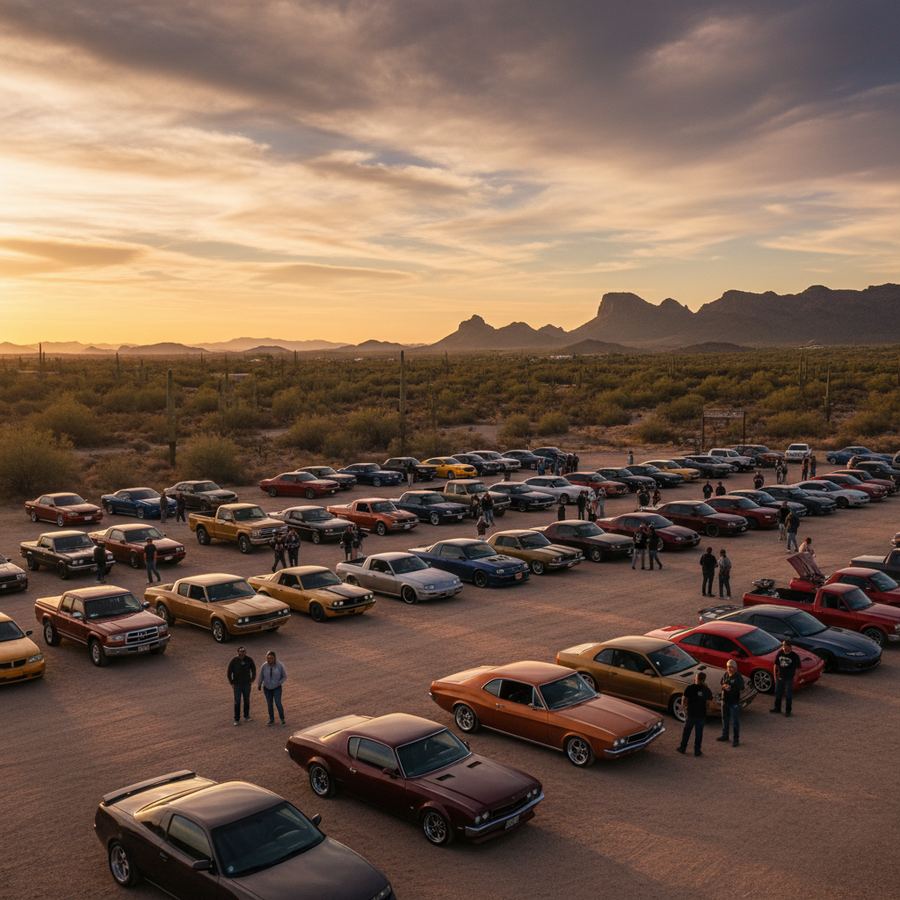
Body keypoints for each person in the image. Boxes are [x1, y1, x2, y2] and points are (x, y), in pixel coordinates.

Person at [676, 671, 713, 756]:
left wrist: (685, 709)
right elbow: (709, 703)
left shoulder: (690, 688)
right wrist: (706, 710)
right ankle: (697, 751)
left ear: (696, 679)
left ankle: (682, 748)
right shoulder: (707, 690)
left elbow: (684, 699)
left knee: (686, 732)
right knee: (699, 734)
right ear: (704, 679)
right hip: (701, 715)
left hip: (691, 714)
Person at [717, 659, 744, 746]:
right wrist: (724, 685)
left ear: (735, 668)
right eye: (728, 667)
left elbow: (742, 687)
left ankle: (736, 739)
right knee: (725, 719)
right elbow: (721, 682)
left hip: (734, 703)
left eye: (731, 667)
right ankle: (725, 735)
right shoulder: (726, 674)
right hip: (725, 701)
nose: (729, 669)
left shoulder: (738, 677)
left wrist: (731, 688)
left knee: (735, 721)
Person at [771, 639, 801, 716]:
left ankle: (788, 711)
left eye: (785, 646)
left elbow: (798, 668)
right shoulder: (780, 653)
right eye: (783, 645)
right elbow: (775, 665)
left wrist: (795, 678)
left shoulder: (795, 656)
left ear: (790, 647)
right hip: (780, 677)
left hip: (789, 678)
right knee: (778, 693)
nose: (783, 647)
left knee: (788, 695)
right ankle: (777, 708)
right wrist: (775, 676)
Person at [227, 646, 256, 726]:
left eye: (243, 651)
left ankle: (246, 716)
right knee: (237, 702)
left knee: (246, 700)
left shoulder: (249, 660)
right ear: (238, 652)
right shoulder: (234, 660)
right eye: (240, 651)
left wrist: (252, 679)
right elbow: (229, 672)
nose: (242, 652)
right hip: (237, 685)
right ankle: (236, 719)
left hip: (247, 684)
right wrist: (231, 682)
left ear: (245, 652)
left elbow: (253, 669)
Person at [257, 650, 287, 726]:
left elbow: (284, 676)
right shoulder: (264, 666)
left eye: (271, 658)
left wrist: (279, 683)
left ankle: (282, 719)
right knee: (269, 704)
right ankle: (271, 719)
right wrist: (259, 684)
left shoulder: (279, 665)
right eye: (268, 658)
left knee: (278, 703)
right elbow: (261, 675)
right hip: (267, 688)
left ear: (274, 658)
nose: (269, 660)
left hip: (277, 688)